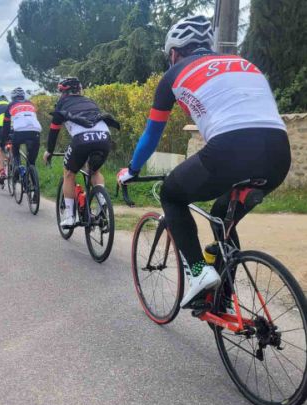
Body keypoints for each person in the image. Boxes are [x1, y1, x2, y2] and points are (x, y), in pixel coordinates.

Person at [118, 15, 290, 308]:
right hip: (278, 152)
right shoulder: (244, 63)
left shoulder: (173, 74)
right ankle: (223, 299)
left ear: (174, 53)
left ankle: (198, 272)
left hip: (230, 147)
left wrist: (132, 170)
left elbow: (151, 135)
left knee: (171, 194)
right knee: (222, 217)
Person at [43, 77, 119, 227]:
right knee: (94, 171)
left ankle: (70, 216)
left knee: (69, 174)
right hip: (104, 138)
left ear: (63, 93)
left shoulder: (61, 105)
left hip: (81, 140)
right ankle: (102, 205)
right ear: (80, 90)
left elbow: (53, 132)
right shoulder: (90, 101)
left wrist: (49, 151)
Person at [1, 87, 42, 177]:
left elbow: (6, 125)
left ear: (13, 97)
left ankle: (17, 166)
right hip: (36, 131)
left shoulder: (11, 105)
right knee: (31, 162)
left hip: (19, 131)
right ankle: (31, 176)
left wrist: (5, 139)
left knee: (15, 148)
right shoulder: (31, 104)